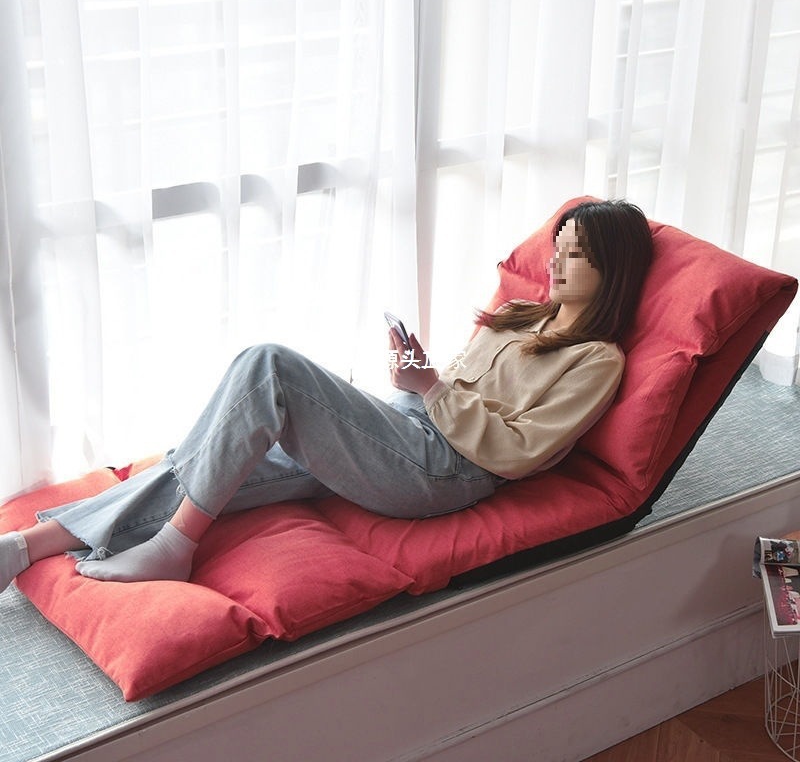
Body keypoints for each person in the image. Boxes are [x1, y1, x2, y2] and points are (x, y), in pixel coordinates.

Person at [0, 199, 653, 593]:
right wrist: (415, 376)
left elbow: (518, 450)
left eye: (575, 255)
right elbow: (449, 390)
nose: (555, 264)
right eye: (557, 249)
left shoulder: (598, 360)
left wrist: (430, 389)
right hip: (409, 430)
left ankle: (176, 547)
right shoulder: (518, 316)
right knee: (217, 450)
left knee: (269, 366)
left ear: (613, 269)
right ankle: (28, 546)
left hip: (444, 471)